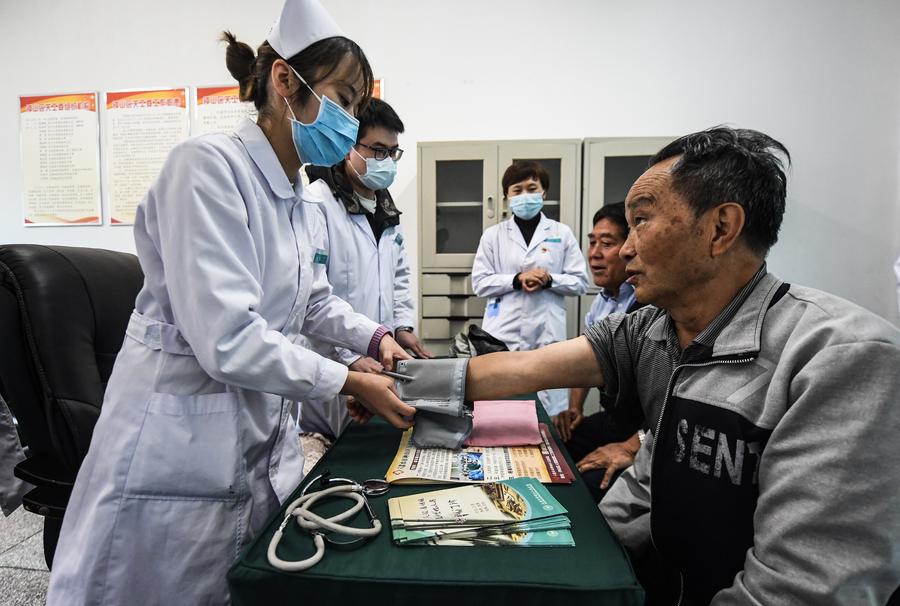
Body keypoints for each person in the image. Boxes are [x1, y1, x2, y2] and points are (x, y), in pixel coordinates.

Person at [46, 1, 416, 603]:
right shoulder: (208, 169)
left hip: (248, 431)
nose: (350, 121)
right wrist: (347, 380)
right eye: (343, 99)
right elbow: (227, 338)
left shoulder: (299, 196)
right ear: (284, 82)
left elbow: (313, 301)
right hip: (178, 445)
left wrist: (375, 339)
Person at [455, 127, 900, 604]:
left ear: (720, 229)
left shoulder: (842, 359)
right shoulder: (656, 330)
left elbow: (802, 589)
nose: (625, 249)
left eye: (641, 221)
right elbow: (529, 371)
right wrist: (590, 569)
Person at [300, 98, 431, 437]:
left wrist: (401, 326)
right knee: (333, 449)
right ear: (348, 148)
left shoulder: (386, 209)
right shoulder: (316, 206)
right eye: (377, 150)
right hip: (332, 365)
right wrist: (348, 358)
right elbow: (309, 302)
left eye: (393, 152)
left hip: (380, 361)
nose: (386, 161)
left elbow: (399, 278)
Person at [470, 161, 589, 416]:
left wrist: (550, 280)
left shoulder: (561, 233)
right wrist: (516, 279)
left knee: (546, 413)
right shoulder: (493, 235)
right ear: (507, 197)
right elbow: (479, 282)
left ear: (543, 192)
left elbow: (581, 281)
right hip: (504, 331)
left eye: (532, 188)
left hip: (547, 331)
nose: (525, 195)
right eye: (517, 189)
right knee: (500, 407)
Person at [552, 202, 645, 502]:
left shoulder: (648, 305)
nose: (594, 253)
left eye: (607, 244)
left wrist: (633, 446)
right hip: (614, 417)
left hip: (644, 429)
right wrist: (575, 407)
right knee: (552, 445)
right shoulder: (603, 301)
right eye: (592, 242)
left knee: (584, 486)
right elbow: (586, 357)